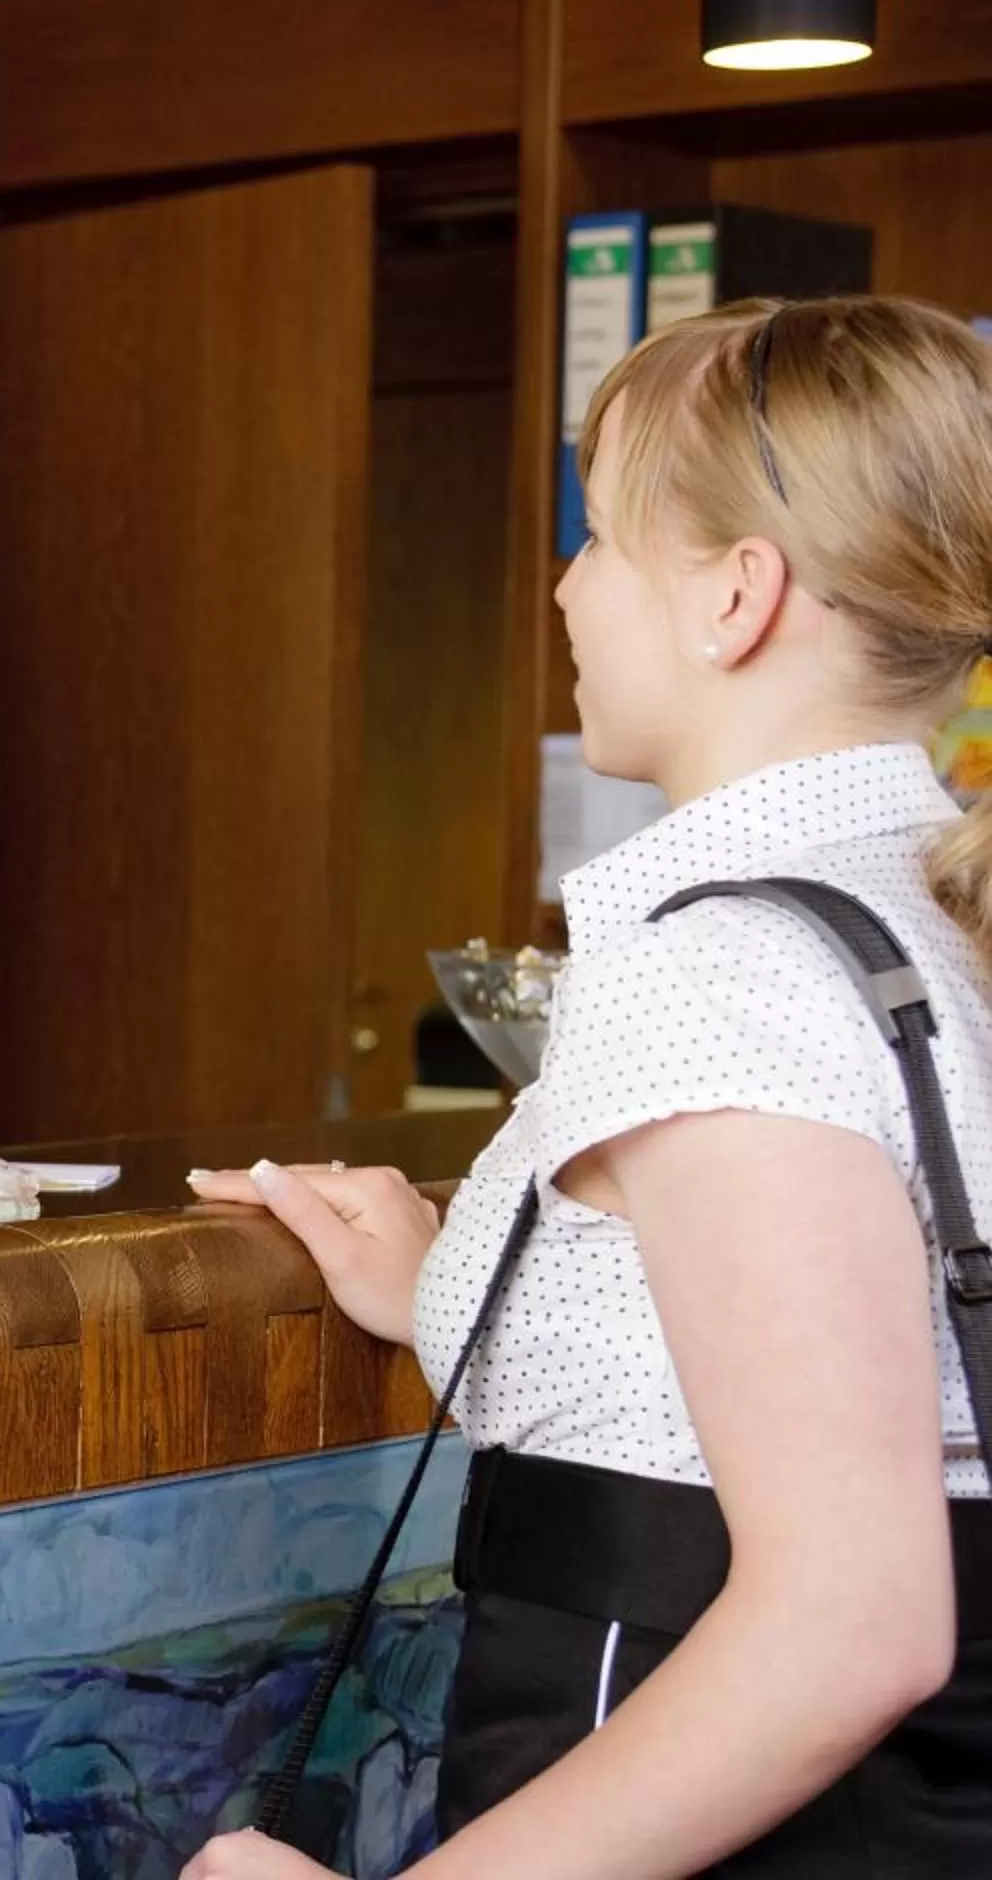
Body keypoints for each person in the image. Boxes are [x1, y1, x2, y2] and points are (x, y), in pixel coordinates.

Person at [184, 294, 992, 1878]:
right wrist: (462, 1289)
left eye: (603, 537)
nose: (564, 585)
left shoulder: (713, 968)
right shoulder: (933, 913)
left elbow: (852, 1622)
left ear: (737, 597)